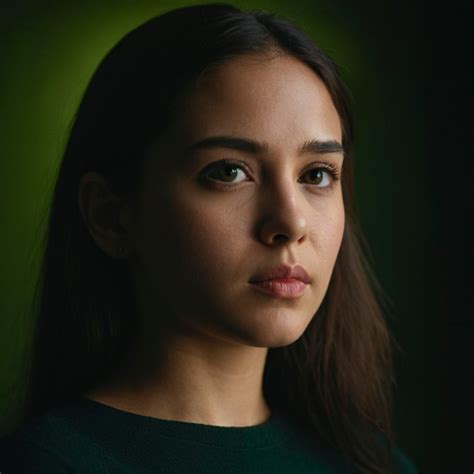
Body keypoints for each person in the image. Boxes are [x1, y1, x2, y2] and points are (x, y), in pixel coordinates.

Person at [0, 3, 418, 473]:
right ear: (110, 216)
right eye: (229, 171)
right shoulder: (48, 463)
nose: (291, 222)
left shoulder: (375, 465)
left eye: (317, 175)